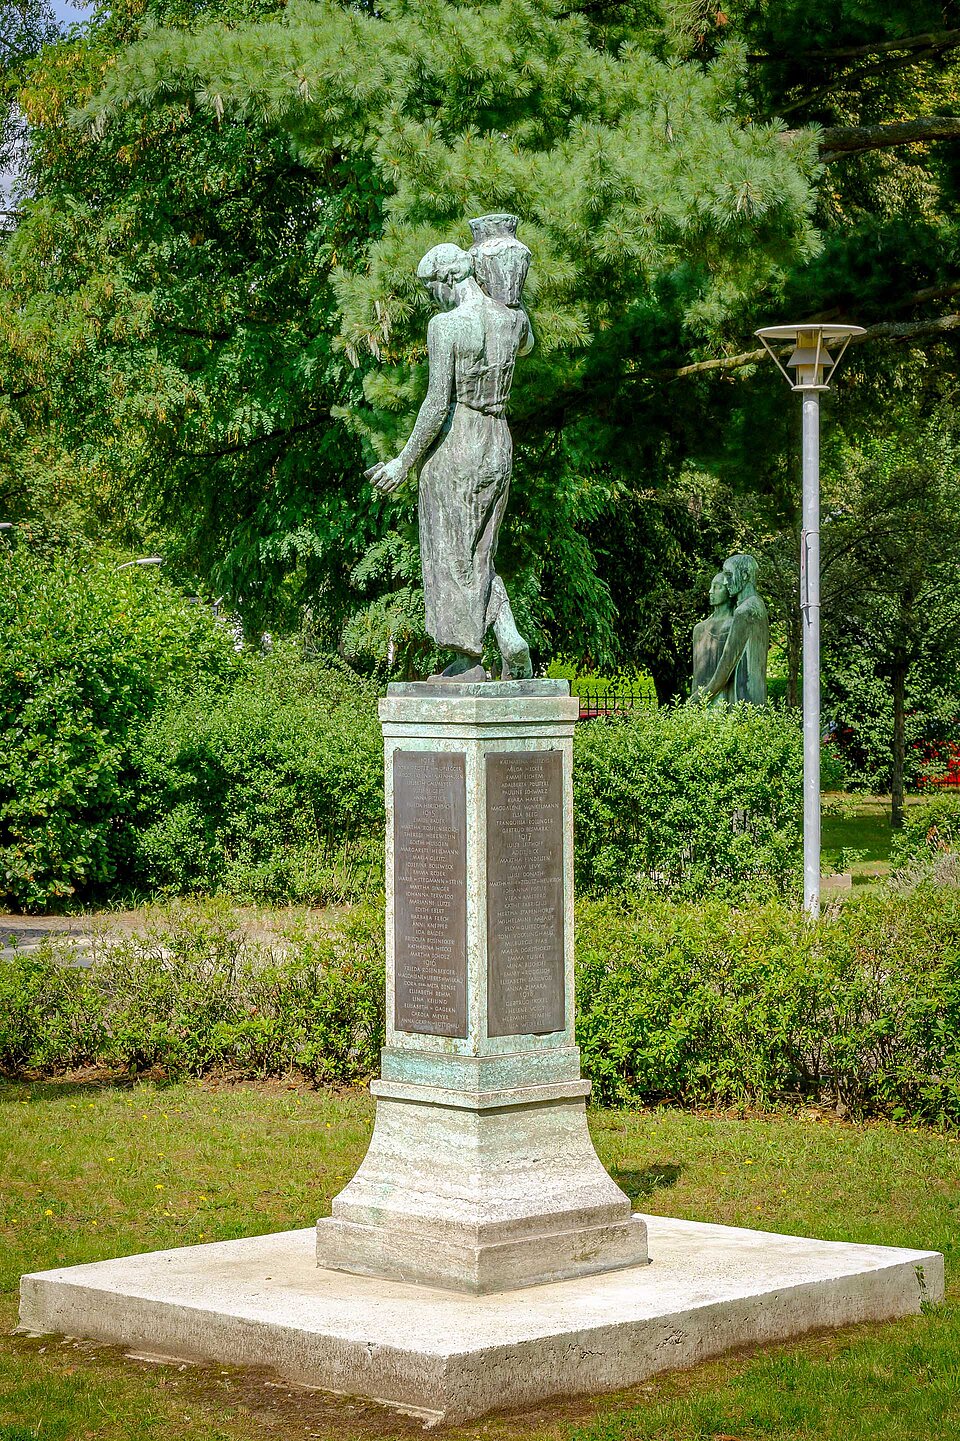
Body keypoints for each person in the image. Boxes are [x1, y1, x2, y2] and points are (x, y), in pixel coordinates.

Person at [365, 240, 534, 680]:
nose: (431, 300)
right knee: (481, 550)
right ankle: (505, 629)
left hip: (457, 442)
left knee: (451, 555)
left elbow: (437, 403)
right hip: (498, 439)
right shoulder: (511, 319)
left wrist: (403, 462)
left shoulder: (446, 326)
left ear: (447, 279)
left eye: (430, 289)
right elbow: (528, 344)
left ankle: (468, 658)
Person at [701, 553, 769, 707]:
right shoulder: (757, 604)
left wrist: (702, 696)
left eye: (729, 575)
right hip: (753, 696)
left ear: (744, 575)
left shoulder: (745, 611)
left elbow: (727, 662)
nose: (726, 582)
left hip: (744, 699)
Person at [691, 570, 738, 704]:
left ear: (729, 591)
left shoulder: (734, 625)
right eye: (711, 587)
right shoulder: (699, 629)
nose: (711, 591)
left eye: (717, 587)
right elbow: (696, 675)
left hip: (725, 700)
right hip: (699, 701)